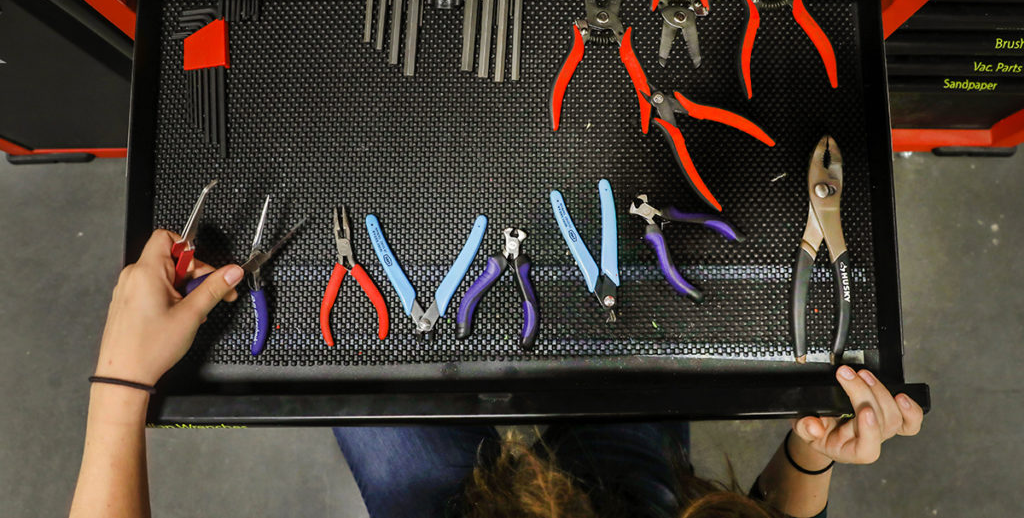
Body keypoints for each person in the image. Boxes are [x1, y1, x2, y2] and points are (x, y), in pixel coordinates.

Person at [70, 230, 924, 518]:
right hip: (642, 498)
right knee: (615, 358)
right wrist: (813, 451)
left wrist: (121, 384)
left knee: (379, 391)